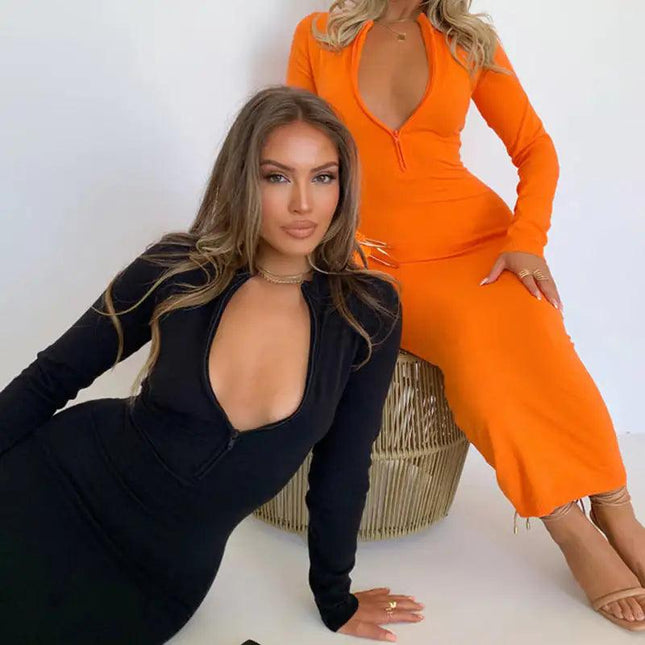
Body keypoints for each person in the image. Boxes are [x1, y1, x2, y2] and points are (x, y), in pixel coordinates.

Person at [0, 86, 426, 643]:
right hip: (57, 484)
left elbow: (342, 469)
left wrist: (335, 597)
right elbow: (51, 378)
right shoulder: (177, 268)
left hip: (157, 578)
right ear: (243, 180)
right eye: (277, 177)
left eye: (323, 177)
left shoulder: (366, 311)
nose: (304, 203)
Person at [287, 0, 645, 632]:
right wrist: (325, 245)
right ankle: (567, 524)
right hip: (381, 259)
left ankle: (616, 507)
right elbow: (292, 151)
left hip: (479, 241)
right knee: (475, 351)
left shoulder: (468, 42)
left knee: (540, 330)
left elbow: (535, 148)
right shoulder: (320, 34)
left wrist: (526, 239)